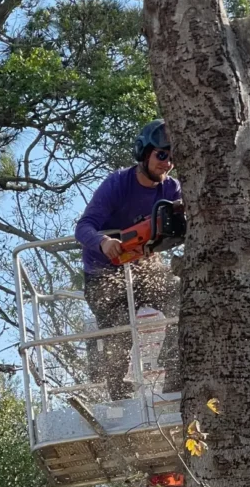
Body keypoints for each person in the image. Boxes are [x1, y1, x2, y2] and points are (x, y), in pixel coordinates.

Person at [75, 120, 182, 400]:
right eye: (161, 155)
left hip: (144, 264)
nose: (166, 163)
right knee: (118, 326)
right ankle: (119, 390)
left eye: (172, 157)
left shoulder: (171, 190)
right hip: (103, 272)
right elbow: (83, 227)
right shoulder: (117, 184)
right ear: (143, 153)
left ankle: (174, 370)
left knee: (182, 296)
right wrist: (104, 242)